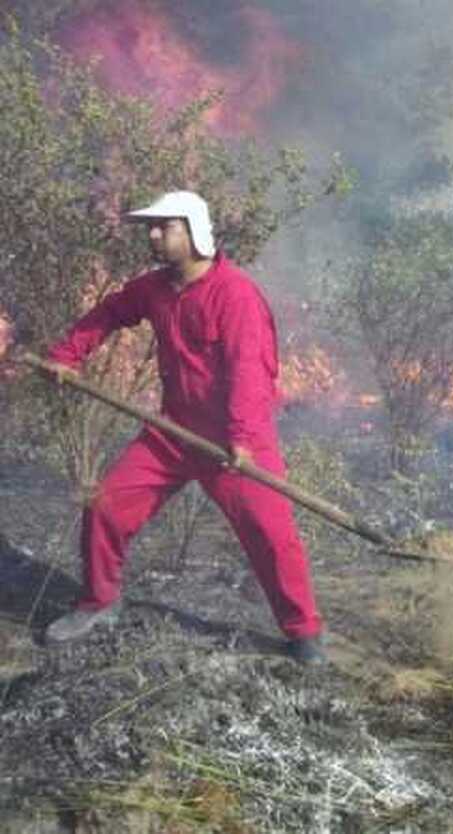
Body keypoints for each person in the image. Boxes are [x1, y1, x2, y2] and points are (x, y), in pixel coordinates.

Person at [41, 190, 325, 664]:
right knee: (106, 506)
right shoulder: (155, 288)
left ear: (194, 233)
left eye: (164, 226)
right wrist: (66, 356)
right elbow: (110, 312)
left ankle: (304, 631)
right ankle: (99, 601)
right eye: (151, 227)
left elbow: (250, 371)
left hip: (237, 440)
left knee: (271, 533)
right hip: (172, 432)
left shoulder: (235, 294)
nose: (153, 235)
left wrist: (238, 438)